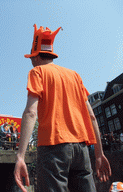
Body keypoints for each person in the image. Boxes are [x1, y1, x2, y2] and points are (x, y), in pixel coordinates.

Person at [14, 24, 111, 192]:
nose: (31, 63)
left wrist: (20, 156)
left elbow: (31, 112)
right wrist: (99, 154)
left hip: (53, 147)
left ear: (36, 57)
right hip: (81, 149)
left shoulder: (37, 72)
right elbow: (92, 116)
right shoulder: (74, 76)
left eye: (31, 59)